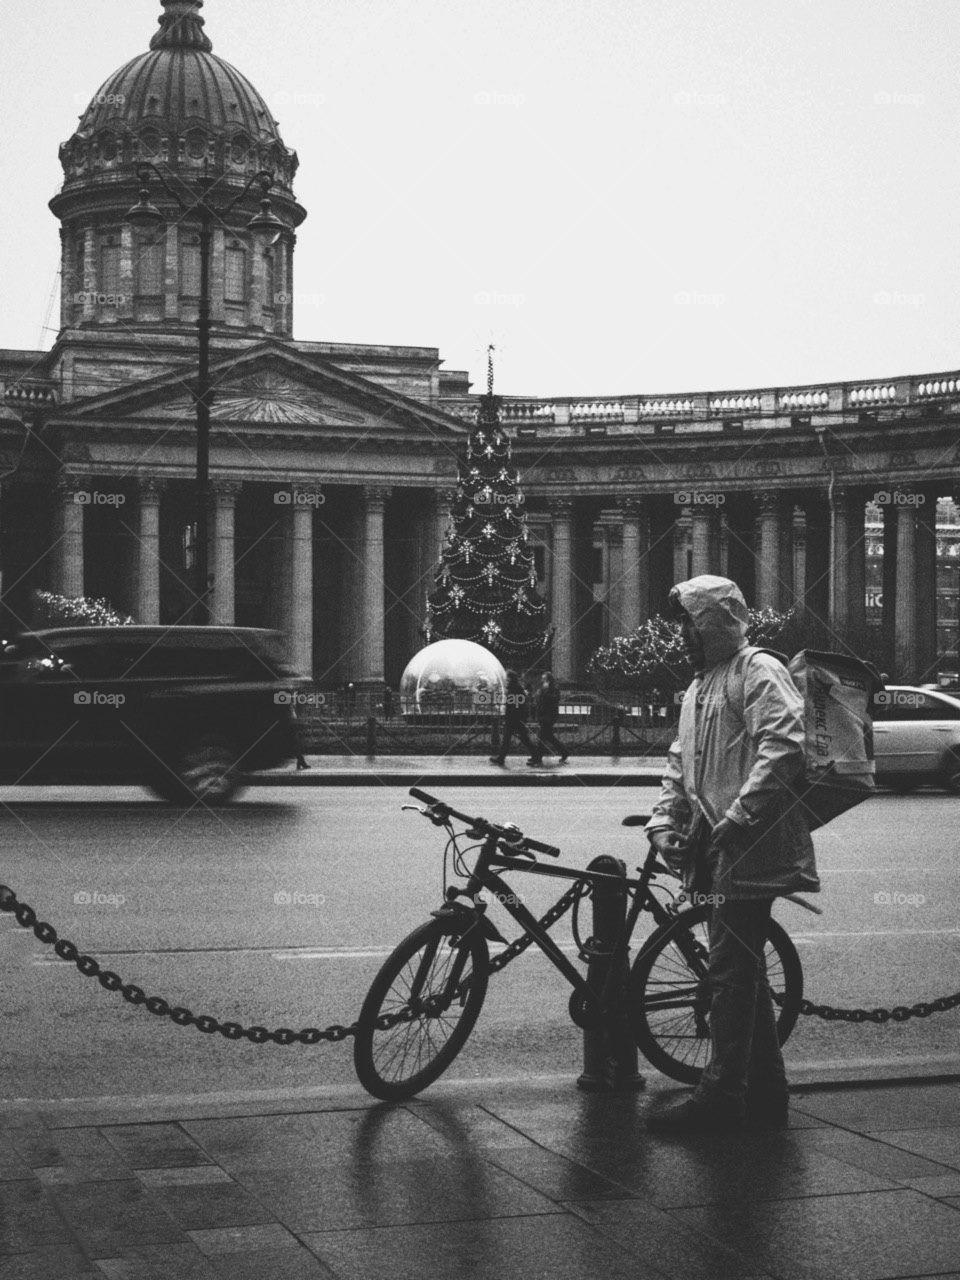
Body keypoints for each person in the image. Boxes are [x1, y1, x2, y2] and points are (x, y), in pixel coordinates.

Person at [644, 575, 819, 1134]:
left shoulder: (758, 669)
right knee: (741, 971)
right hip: (724, 850)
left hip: (752, 848)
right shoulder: (701, 685)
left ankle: (722, 1095)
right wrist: (662, 824)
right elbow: (681, 764)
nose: (684, 638)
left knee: (728, 971)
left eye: (691, 625)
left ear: (715, 622)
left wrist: (739, 817)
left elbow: (785, 745)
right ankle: (767, 1091)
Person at [489, 670, 539, 766]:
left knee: (522, 738)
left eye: (507, 678)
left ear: (511, 679)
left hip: (515, 718)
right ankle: (501, 758)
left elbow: (518, 704)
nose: (506, 680)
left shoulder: (515, 688)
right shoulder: (514, 688)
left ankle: (536, 755)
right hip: (514, 718)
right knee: (509, 739)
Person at [528, 672, 568, 765]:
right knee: (549, 737)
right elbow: (538, 700)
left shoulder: (553, 689)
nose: (542, 680)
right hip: (543, 715)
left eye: (544, 678)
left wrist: (543, 694)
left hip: (549, 716)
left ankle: (537, 758)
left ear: (548, 679)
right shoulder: (542, 689)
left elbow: (554, 699)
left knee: (541, 737)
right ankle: (564, 752)